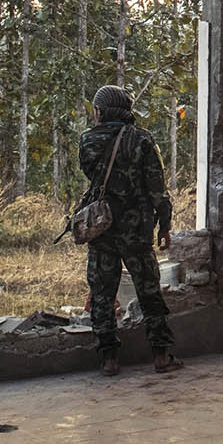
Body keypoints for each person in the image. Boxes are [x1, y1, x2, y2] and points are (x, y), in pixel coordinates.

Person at [77, 84, 182, 376]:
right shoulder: (143, 141)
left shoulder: (87, 141)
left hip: (102, 229)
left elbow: (92, 176)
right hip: (137, 231)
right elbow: (157, 190)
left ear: (100, 111)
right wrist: (165, 225)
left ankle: (109, 360)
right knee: (149, 292)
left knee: (101, 294)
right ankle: (161, 356)